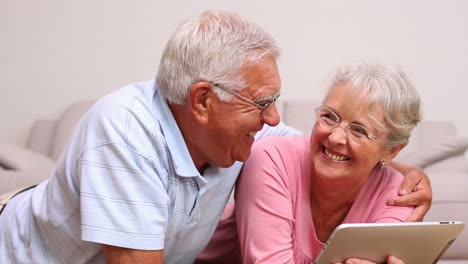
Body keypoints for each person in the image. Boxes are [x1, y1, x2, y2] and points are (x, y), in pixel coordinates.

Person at [0, 10, 430, 264]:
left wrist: (396, 168)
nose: (273, 116)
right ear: (203, 101)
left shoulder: (239, 135)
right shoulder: (124, 133)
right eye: (262, 102)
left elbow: (319, 150)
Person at [197, 63, 424, 264]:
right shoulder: (271, 158)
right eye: (329, 117)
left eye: (358, 130)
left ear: (392, 150)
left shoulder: (400, 195)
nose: (335, 138)